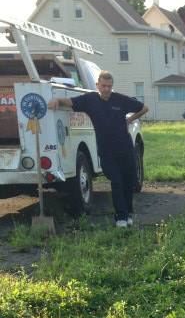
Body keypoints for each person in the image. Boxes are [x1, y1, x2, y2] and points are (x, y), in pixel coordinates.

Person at [48, 71, 147, 227]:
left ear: (112, 86)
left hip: (125, 148)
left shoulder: (120, 100)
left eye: (109, 86)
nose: (106, 89)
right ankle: (120, 217)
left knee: (129, 182)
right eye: (103, 86)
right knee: (116, 181)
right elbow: (71, 101)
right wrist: (57, 99)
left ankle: (128, 214)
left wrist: (130, 119)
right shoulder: (90, 100)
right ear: (97, 85)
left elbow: (143, 108)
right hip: (106, 150)